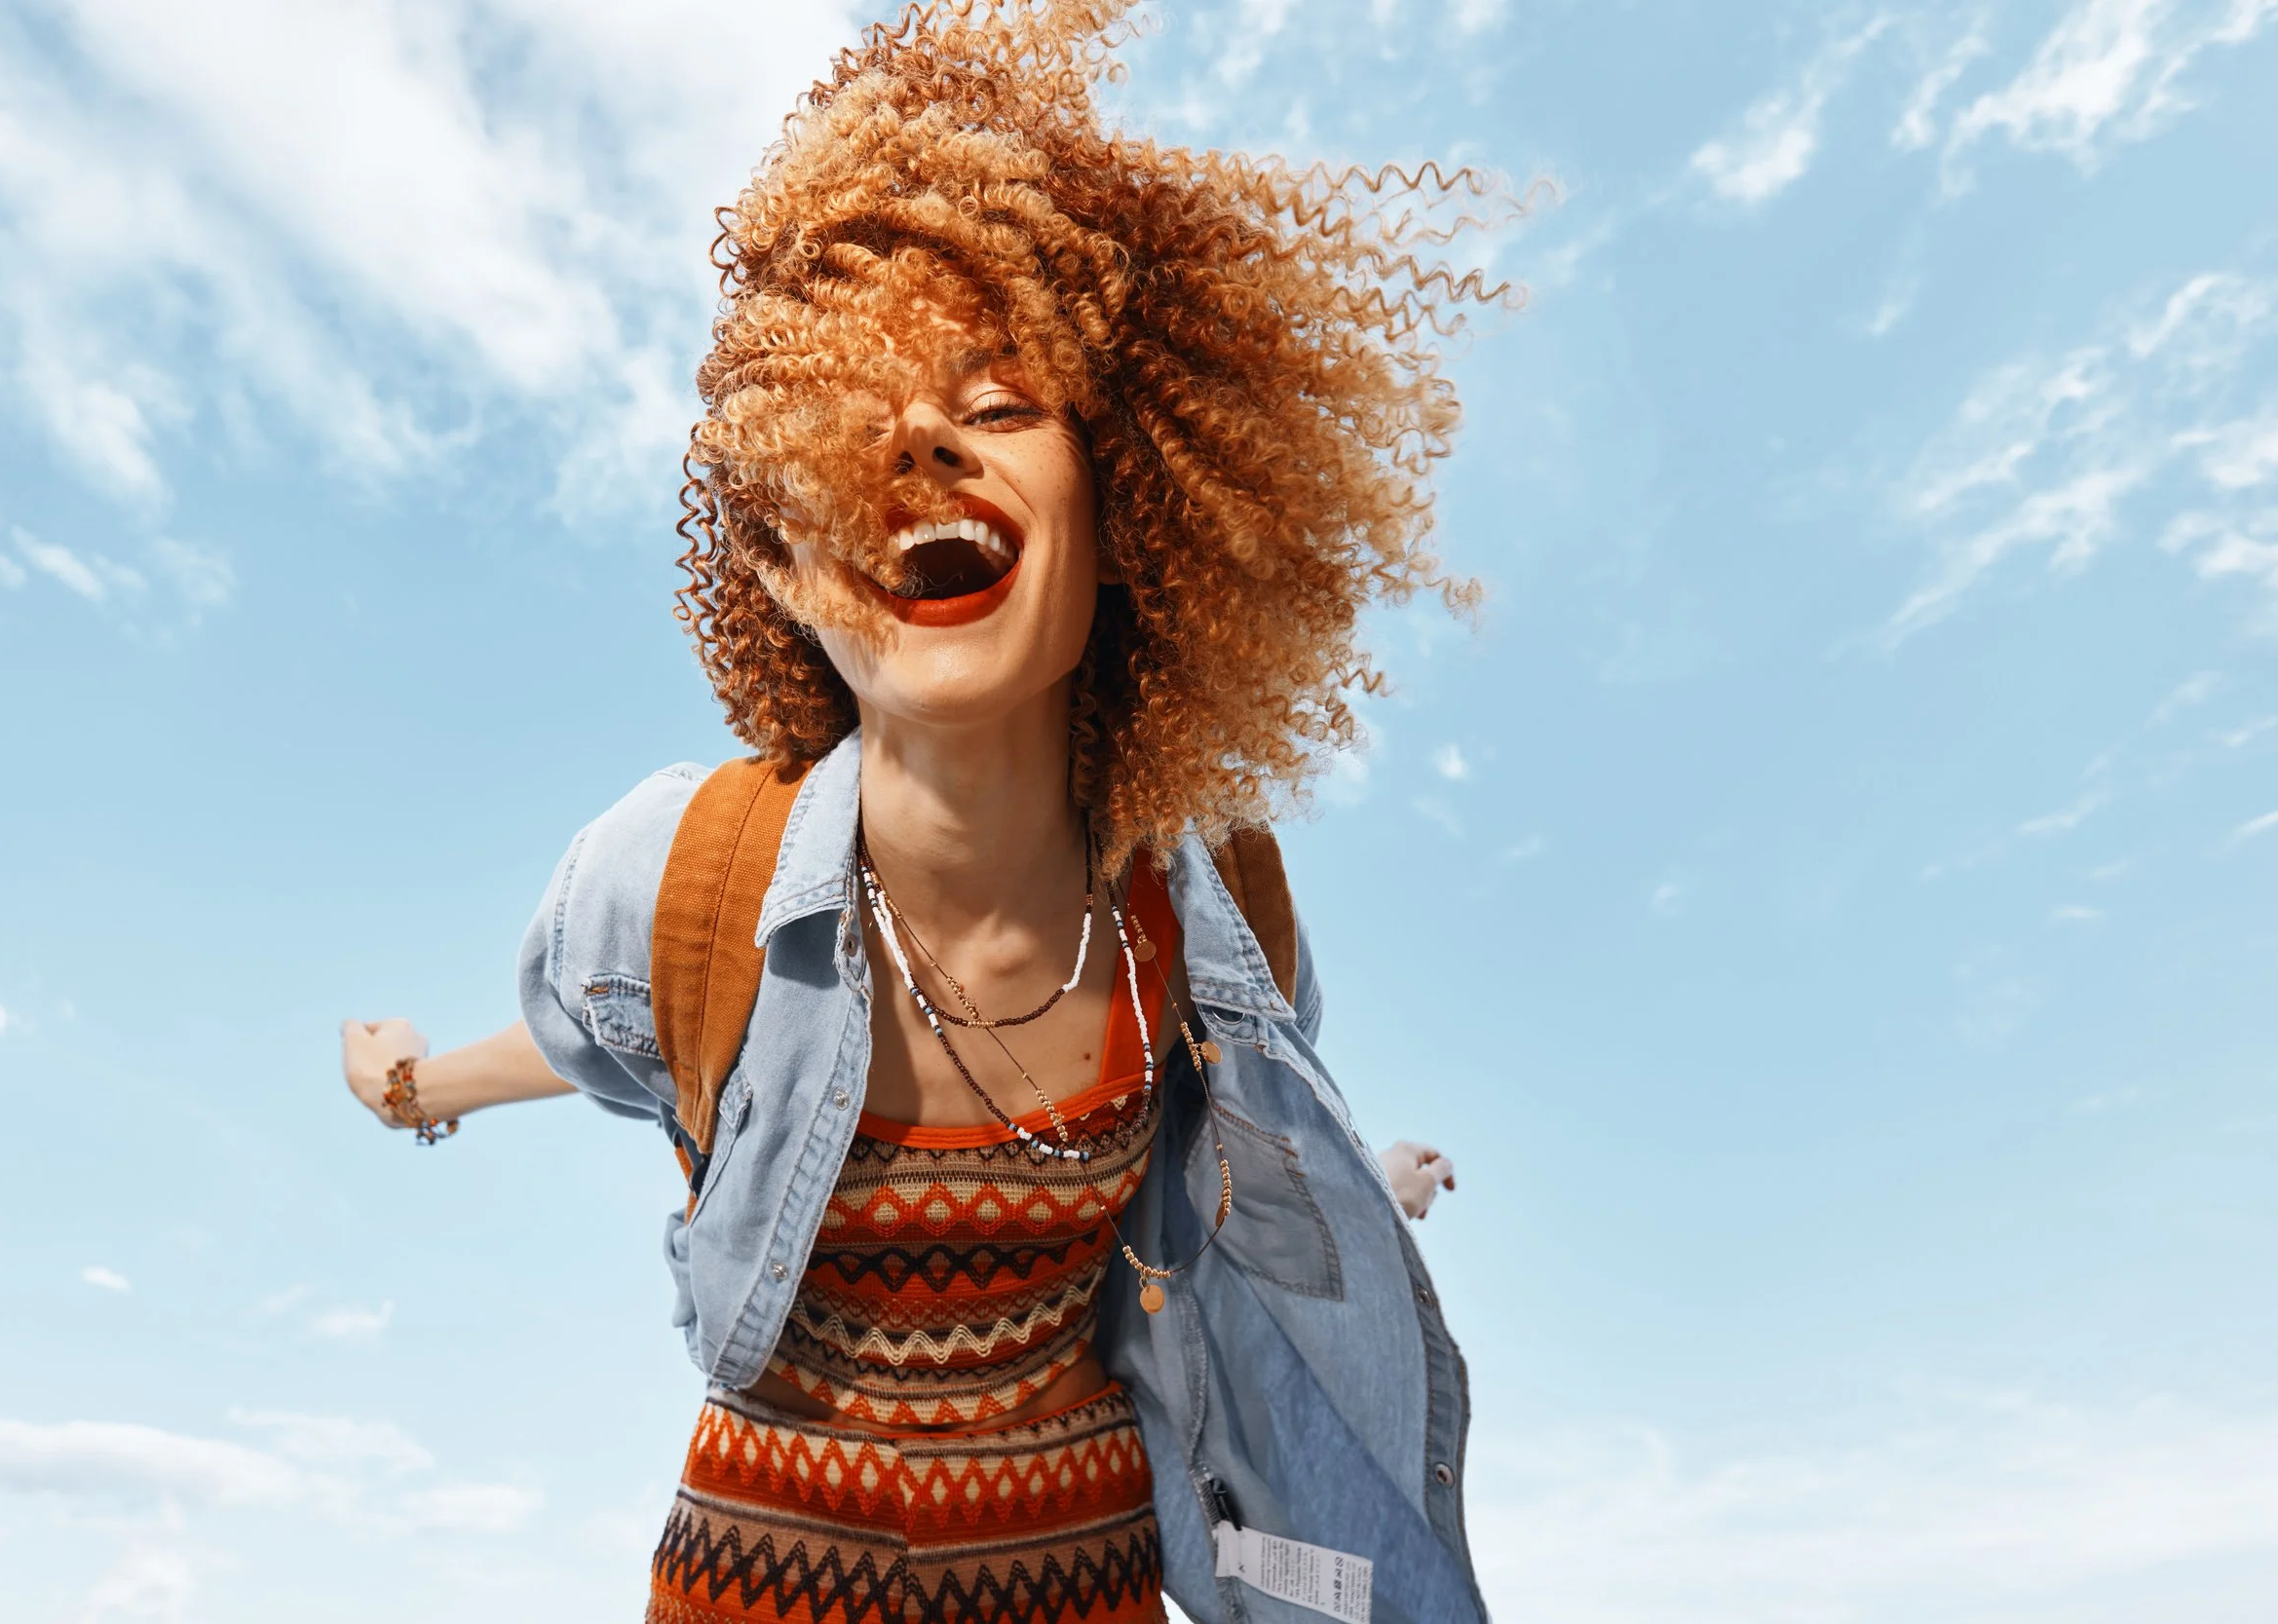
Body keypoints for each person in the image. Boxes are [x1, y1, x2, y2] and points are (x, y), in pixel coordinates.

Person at [342, 3, 1502, 1618]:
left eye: (1005, 399)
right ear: (782, 564)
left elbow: (1249, 1176)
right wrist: (409, 1081)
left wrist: (1379, 1177)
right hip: (761, 1576)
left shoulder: (1216, 906)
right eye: (852, 415)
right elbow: (571, 1038)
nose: (924, 436)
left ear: (1127, 513)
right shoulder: (683, 878)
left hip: (1078, 1572)